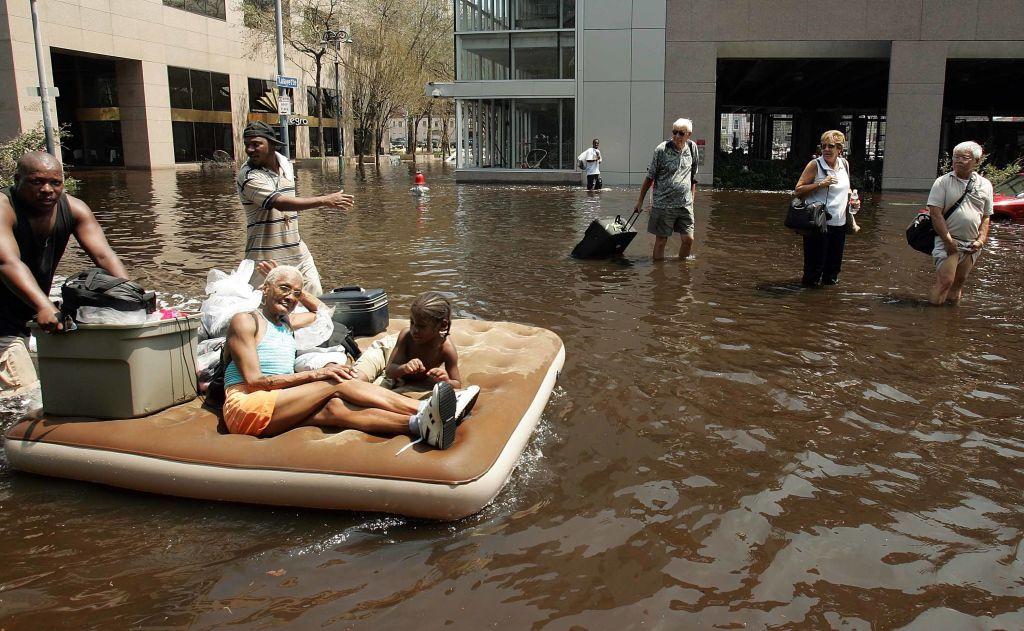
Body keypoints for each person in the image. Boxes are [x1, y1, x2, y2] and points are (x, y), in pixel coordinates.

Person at [221, 265, 462, 449]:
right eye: (283, 288)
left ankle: (420, 425)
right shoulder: (246, 320)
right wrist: (316, 374)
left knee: (335, 409)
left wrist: (300, 293)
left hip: (275, 403)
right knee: (333, 381)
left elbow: (322, 311)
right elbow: (254, 381)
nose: (291, 297)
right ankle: (422, 408)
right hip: (246, 405)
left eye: (296, 293)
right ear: (265, 289)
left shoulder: (286, 323)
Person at [0, 151, 128, 399]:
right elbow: (7, 262)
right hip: (3, 322)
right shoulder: (4, 208)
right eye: (37, 182)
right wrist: (44, 305)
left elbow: (104, 257)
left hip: (23, 314)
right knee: (24, 397)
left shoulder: (75, 209)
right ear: (17, 180)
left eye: (55, 183)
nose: (47, 189)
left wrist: (133, 295)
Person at [236, 121, 354, 297]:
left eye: (256, 144)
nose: (250, 149)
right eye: (247, 145)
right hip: (265, 259)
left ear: (272, 144)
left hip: (298, 253)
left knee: (315, 296)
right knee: (266, 310)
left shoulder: (285, 164)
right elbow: (280, 202)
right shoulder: (248, 176)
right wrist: (324, 200)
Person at [354, 291, 479, 413]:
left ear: (442, 325)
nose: (414, 330)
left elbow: (457, 384)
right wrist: (405, 367)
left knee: (368, 397)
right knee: (354, 383)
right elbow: (390, 371)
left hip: (398, 370)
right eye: (412, 323)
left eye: (422, 326)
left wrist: (446, 381)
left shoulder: (446, 350)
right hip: (386, 350)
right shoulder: (406, 335)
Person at [926, 140, 993, 305]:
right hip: (948, 240)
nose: (958, 161)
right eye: (955, 157)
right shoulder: (942, 182)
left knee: (958, 283)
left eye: (964, 158)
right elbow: (935, 214)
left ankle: (950, 323)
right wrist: (948, 241)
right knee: (945, 282)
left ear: (977, 161)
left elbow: (986, 216)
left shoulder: (985, 185)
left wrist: (981, 240)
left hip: (972, 245)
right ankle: (933, 320)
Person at [792, 130, 860, 286]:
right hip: (818, 224)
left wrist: (853, 201)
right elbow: (798, 190)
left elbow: (847, 189)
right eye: (823, 146)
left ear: (840, 149)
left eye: (831, 146)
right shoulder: (815, 165)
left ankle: (828, 305)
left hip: (839, 225)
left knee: (833, 270)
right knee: (814, 270)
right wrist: (821, 184)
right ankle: (808, 304)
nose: (827, 150)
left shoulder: (844, 164)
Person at [634, 118, 700, 261]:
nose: (676, 136)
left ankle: (682, 268)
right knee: (661, 241)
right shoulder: (661, 150)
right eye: (674, 132)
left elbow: (693, 177)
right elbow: (649, 177)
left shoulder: (693, 148)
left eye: (681, 133)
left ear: (689, 134)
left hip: (685, 205)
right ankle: (658, 274)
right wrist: (640, 202)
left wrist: (692, 201)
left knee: (688, 239)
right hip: (663, 204)